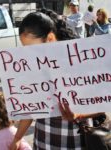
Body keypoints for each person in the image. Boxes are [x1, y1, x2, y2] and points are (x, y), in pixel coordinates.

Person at [10, 9, 104, 150]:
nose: (28, 55)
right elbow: (30, 109)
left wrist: (78, 114)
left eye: (32, 49)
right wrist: (17, 138)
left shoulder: (81, 61)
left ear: (50, 38)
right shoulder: (32, 68)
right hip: (43, 141)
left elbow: (103, 102)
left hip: (76, 140)